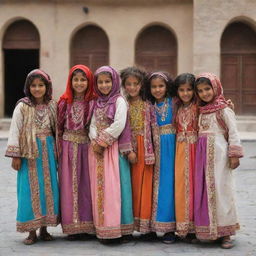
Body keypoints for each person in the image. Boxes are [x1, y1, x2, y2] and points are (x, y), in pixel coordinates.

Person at [5, 69, 59, 245]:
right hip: (29, 154)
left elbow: (57, 129)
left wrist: (59, 154)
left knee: (48, 190)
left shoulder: (52, 105)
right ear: (28, 87)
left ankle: (44, 229)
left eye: (41, 85)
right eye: (34, 85)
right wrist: (16, 155)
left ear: (47, 86)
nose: (37, 89)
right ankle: (31, 231)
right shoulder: (22, 106)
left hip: (48, 152)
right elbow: (15, 129)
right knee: (29, 191)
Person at [194, 72, 243, 249]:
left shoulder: (224, 109)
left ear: (215, 88)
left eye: (207, 89)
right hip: (202, 159)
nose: (204, 93)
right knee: (207, 193)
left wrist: (234, 154)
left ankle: (226, 234)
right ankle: (210, 231)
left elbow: (233, 133)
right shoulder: (201, 110)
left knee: (223, 193)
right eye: (200, 90)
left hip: (220, 158)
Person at [88, 66, 133, 242]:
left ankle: (116, 229)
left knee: (113, 190)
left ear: (114, 82)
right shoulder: (96, 101)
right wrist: (94, 139)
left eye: (107, 81)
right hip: (97, 151)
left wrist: (102, 141)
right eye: (100, 82)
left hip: (112, 150)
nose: (104, 85)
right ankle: (103, 228)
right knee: (99, 190)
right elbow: (91, 124)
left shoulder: (119, 100)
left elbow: (119, 123)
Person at [57, 65, 96, 239]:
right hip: (67, 147)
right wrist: (58, 150)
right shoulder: (64, 102)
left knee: (86, 185)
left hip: (86, 146)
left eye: (83, 79)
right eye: (76, 79)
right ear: (70, 81)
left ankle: (87, 226)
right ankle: (72, 227)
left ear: (89, 82)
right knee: (68, 186)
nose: (79, 83)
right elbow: (57, 128)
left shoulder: (93, 102)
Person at [120, 67, 155, 239]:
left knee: (146, 186)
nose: (132, 87)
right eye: (128, 84)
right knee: (130, 188)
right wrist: (129, 150)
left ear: (142, 85)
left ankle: (146, 227)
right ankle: (128, 226)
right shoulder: (122, 104)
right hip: (129, 150)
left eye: (136, 84)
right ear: (124, 85)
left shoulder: (149, 105)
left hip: (146, 149)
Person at [145, 71, 176, 244]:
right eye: (154, 86)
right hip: (154, 149)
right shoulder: (148, 105)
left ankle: (169, 229)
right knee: (152, 187)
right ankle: (151, 227)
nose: (157, 89)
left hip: (173, 148)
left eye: (161, 86)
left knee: (169, 186)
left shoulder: (175, 103)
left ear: (167, 86)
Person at [173, 73, 198, 243]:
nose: (185, 93)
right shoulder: (177, 108)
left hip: (196, 151)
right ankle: (183, 227)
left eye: (189, 89)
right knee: (181, 187)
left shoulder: (199, 107)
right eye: (181, 90)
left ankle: (196, 227)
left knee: (196, 187)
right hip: (180, 151)